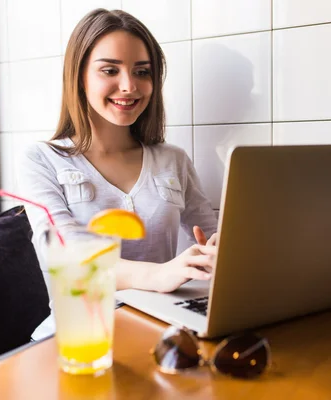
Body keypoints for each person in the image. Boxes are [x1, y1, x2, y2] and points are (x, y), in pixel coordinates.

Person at [17, 8, 218, 299]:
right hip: (83, 333)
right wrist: (160, 274)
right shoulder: (41, 159)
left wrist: (218, 250)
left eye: (142, 72)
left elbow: (210, 237)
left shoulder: (173, 159)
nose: (129, 86)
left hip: (163, 322)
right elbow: (67, 255)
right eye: (110, 70)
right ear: (80, 77)